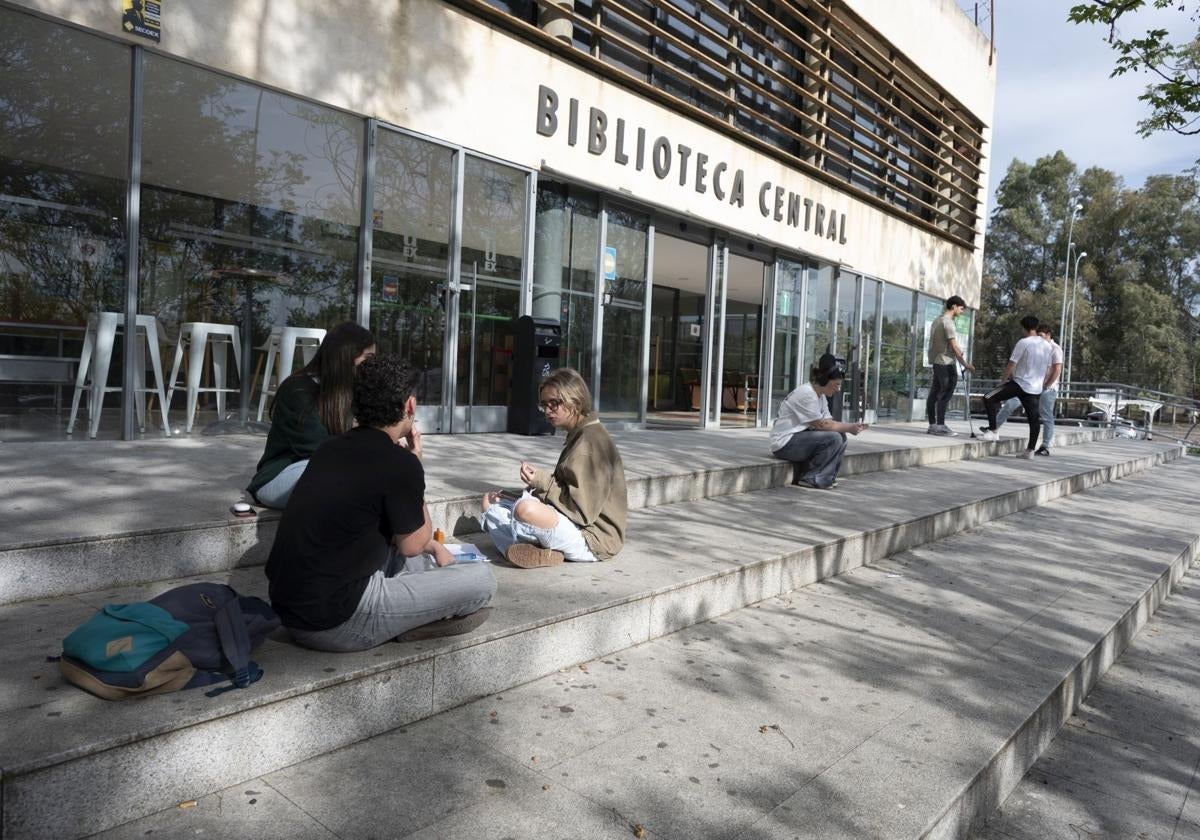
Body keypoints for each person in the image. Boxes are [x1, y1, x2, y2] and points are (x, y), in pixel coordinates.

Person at [265, 354, 496, 651]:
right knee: (482, 580)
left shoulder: (329, 449)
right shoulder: (399, 463)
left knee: (408, 552)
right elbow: (414, 543)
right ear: (409, 405)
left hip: (289, 608)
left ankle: (418, 608)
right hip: (339, 621)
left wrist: (433, 544)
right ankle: (420, 619)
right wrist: (415, 465)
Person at [482, 368, 627, 568]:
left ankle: (526, 547)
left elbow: (582, 512)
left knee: (526, 509)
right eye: (544, 404)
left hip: (593, 539)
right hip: (574, 524)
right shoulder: (580, 434)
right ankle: (532, 551)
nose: (548, 410)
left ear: (575, 401)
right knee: (491, 503)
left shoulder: (590, 442)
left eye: (554, 403)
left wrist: (541, 482)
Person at [247, 321, 376, 509]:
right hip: (284, 475)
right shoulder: (297, 390)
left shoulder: (352, 391)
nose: (372, 366)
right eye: (368, 358)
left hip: (325, 472)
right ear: (346, 355)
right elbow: (319, 447)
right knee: (345, 475)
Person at [770, 353, 868, 489]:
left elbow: (828, 422)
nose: (838, 389)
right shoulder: (806, 394)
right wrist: (850, 427)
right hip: (784, 444)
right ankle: (811, 477)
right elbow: (822, 425)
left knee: (840, 436)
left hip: (799, 438)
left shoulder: (820, 396)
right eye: (836, 385)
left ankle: (828, 477)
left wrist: (848, 428)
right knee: (833, 437)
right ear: (824, 380)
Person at [980, 315, 1055, 458]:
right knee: (1034, 419)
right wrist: (1042, 382)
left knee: (988, 397)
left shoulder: (1024, 342)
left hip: (1020, 383)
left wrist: (1003, 381)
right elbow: (1048, 368)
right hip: (1035, 388)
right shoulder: (1047, 345)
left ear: (1024, 328)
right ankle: (1030, 451)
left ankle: (993, 430)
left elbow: (1012, 363)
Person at [926, 295, 975, 436]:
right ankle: (940, 426)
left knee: (935, 393)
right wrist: (966, 364)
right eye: (960, 308)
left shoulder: (937, 320)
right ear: (953, 306)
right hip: (946, 362)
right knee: (945, 394)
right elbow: (953, 345)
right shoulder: (948, 323)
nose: (962, 311)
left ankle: (933, 425)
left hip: (937, 361)